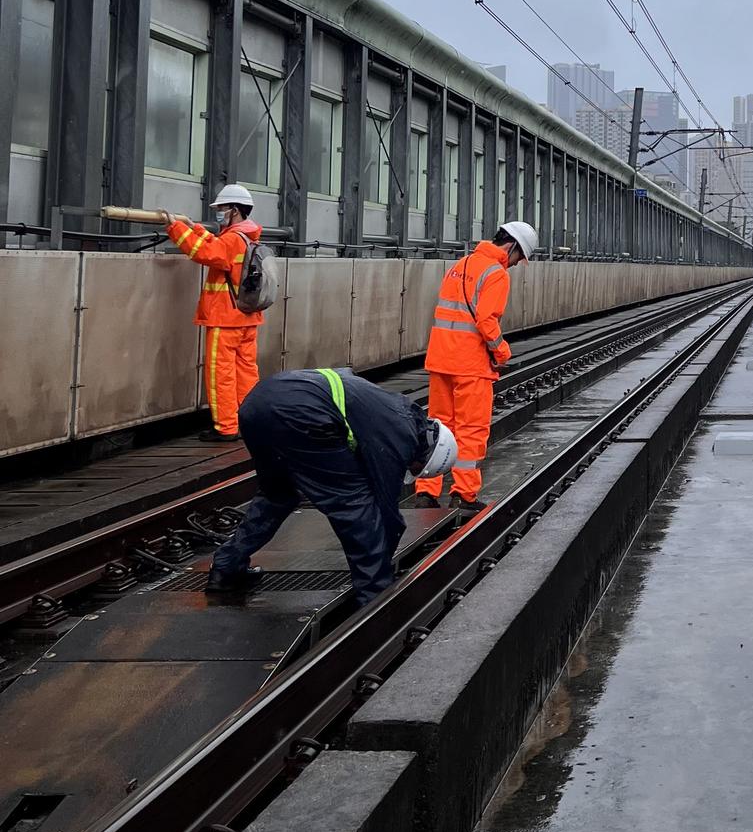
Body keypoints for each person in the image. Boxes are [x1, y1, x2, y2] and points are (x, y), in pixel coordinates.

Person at [205, 366, 457, 606]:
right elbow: (385, 508)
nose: (408, 470)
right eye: (414, 469)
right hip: (302, 414)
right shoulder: (402, 433)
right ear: (426, 454)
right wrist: (382, 562)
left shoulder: (394, 411)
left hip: (257, 405)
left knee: (277, 496)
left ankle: (227, 568)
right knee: (354, 504)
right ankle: (374, 597)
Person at [414, 220, 538, 512]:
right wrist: (502, 351)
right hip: (470, 365)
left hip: (441, 360)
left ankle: (425, 492)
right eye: (519, 258)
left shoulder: (461, 264)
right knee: (471, 430)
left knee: (438, 427)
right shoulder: (496, 273)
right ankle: (464, 495)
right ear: (512, 248)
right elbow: (486, 320)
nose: (516, 264)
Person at [163, 183, 264, 442]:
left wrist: (176, 229)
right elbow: (217, 245)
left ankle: (226, 428)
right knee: (246, 372)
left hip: (225, 317)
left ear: (234, 210)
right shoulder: (247, 236)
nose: (218, 212)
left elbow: (206, 253)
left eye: (221, 208)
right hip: (247, 316)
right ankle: (250, 420)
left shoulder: (232, 239)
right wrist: (195, 228)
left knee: (221, 373)